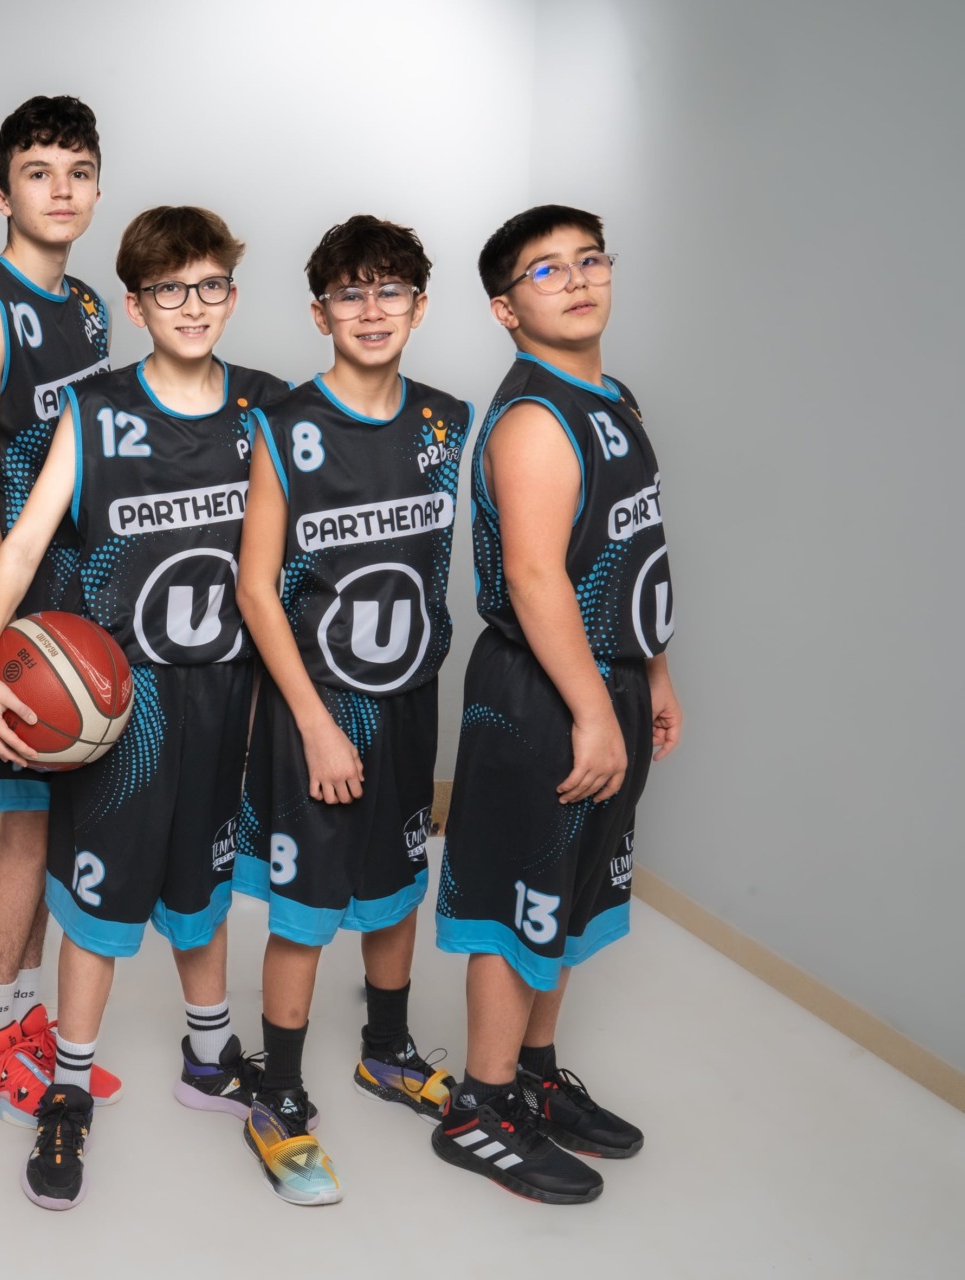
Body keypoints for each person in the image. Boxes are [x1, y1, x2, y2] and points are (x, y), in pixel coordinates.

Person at [0, 206, 291, 1209]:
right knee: (99, 909)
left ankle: (208, 1054)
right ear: (136, 304)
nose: (191, 306)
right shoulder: (96, 410)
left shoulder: (269, 407)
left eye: (209, 286)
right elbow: (23, 541)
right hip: (120, 699)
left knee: (203, 881)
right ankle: (68, 1086)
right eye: (167, 290)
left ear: (232, 295)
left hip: (225, 685)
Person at [431, 205, 683, 1204]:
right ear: (505, 308)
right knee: (515, 902)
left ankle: (532, 1079)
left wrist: (652, 673)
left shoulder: (612, 395)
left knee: (568, 897)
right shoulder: (536, 419)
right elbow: (537, 580)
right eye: (546, 271)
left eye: (589, 260)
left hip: (607, 677)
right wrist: (592, 709)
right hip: (541, 694)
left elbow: (629, 547)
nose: (576, 280)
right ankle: (480, 1107)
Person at [230, 216, 469, 1194]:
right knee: (307, 905)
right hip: (317, 706)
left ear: (420, 305)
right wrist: (314, 722)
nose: (372, 310)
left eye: (390, 291)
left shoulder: (448, 421)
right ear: (319, 310)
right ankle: (278, 1091)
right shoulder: (286, 426)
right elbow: (255, 588)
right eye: (350, 293)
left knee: (397, 882)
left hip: (410, 697)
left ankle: (387, 1049)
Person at [0, 95, 122, 1124]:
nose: (60, 190)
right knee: (24, 835)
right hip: (18, 615)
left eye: (77, 171)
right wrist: (2, 641)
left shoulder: (91, 305)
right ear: (1, 193)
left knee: (63, 831)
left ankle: (26, 1028)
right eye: (38, 172)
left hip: (81, 604)